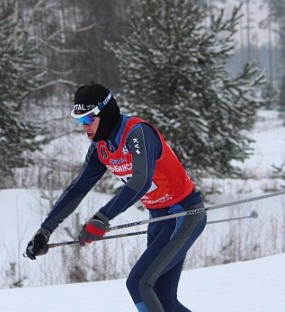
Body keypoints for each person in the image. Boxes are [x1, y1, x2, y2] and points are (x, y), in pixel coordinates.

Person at [26, 81, 207, 312]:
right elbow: (77, 189)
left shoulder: (137, 133)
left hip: (184, 214)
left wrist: (102, 217)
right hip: (159, 218)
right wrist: (45, 230)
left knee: (139, 285)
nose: (84, 126)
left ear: (106, 112)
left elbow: (140, 181)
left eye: (88, 119)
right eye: (79, 120)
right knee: (162, 299)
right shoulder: (100, 147)